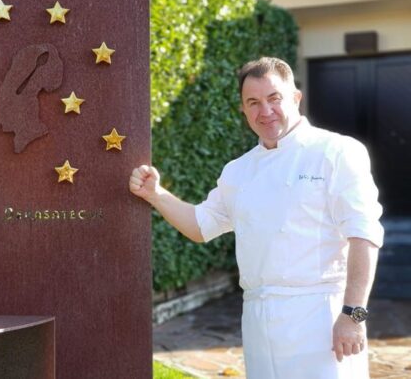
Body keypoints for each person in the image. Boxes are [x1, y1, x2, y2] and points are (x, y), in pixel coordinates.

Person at [129, 57, 383, 379]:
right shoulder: (238, 170)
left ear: (295, 98)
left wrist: (353, 314)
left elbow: (364, 234)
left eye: (274, 98)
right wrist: (155, 194)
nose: (265, 111)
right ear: (243, 110)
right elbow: (200, 226)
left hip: (321, 316)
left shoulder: (337, 152)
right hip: (258, 318)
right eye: (254, 103)